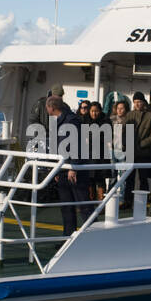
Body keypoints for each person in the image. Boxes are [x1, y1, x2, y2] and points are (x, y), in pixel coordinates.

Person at [45, 95, 92, 235]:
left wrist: (73, 166)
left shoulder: (72, 121)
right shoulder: (58, 121)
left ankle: (93, 236)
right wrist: (57, 171)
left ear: (51, 108)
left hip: (74, 170)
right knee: (66, 206)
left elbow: (77, 145)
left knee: (83, 205)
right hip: (63, 170)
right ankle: (67, 238)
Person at [85, 101, 109, 200]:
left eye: (96, 111)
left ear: (100, 111)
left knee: (100, 180)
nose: (94, 113)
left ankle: (101, 204)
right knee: (89, 180)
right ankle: (90, 202)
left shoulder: (106, 121)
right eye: (92, 111)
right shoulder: (85, 120)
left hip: (101, 155)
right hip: (88, 155)